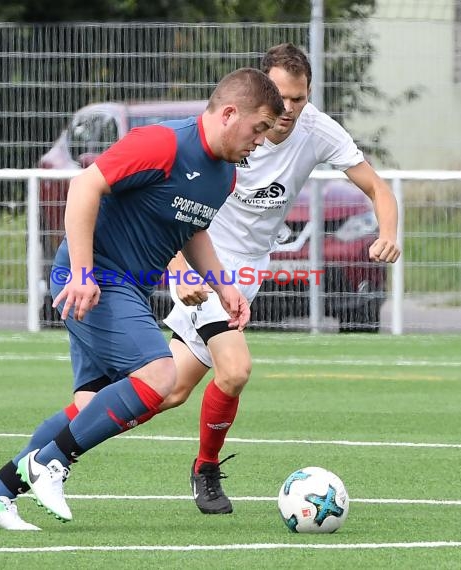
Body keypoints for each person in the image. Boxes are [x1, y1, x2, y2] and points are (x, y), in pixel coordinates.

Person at [0, 67, 285, 530]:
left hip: (125, 287)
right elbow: (84, 186)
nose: (260, 142)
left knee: (88, 406)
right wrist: (81, 271)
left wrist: (223, 285)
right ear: (230, 114)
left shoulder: (226, 176)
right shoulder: (164, 143)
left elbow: (191, 230)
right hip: (96, 281)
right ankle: (50, 463)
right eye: (258, 129)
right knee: (160, 374)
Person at [158, 42, 402, 515]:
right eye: (282, 98)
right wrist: (177, 265)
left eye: (300, 98)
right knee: (235, 369)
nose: (289, 110)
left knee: (170, 389)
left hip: (247, 270)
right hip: (200, 256)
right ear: (263, 91)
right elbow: (169, 204)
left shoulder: (316, 130)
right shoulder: (229, 129)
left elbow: (377, 186)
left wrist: (388, 232)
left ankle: (74, 431)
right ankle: (205, 469)